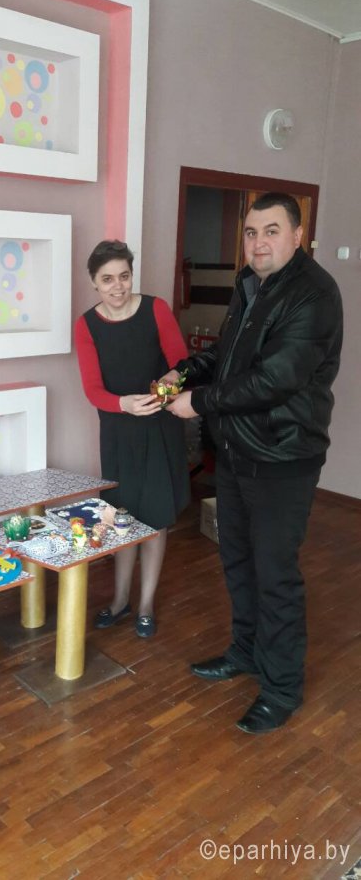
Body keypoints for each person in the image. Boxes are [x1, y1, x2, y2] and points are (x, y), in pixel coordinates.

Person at [164, 192, 343, 733]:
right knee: (238, 561)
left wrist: (198, 402)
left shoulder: (314, 294)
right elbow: (228, 356)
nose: (258, 242)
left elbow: (274, 379)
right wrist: (183, 372)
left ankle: (282, 688)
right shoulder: (249, 284)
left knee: (275, 575)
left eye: (271, 230)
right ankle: (245, 651)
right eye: (250, 232)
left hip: (283, 457)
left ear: (297, 235)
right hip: (237, 451)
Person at [75, 240, 190, 638]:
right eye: (107, 279)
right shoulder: (86, 325)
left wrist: (170, 381)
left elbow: (183, 364)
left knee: (155, 518)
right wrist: (123, 404)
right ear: (94, 282)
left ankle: (145, 606)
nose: (118, 286)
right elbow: (92, 390)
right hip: (118, 433)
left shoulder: (156, 309)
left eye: (124, 276)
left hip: (158, 428)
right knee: (121, 517)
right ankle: (120, 600)